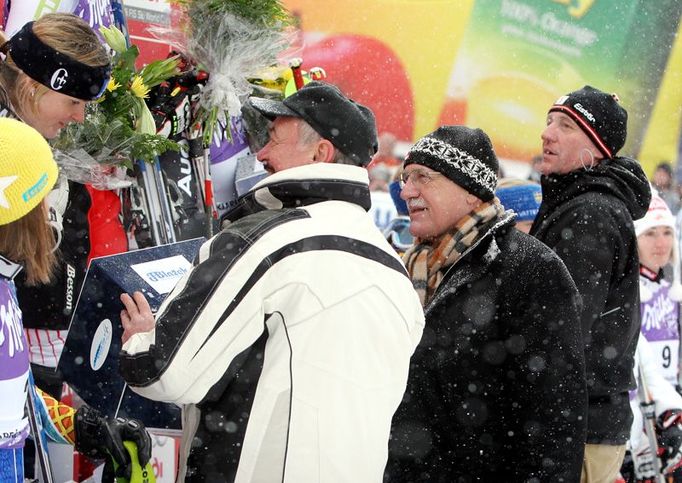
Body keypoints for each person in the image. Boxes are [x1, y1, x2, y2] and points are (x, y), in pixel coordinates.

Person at [118, 81, 425, 482]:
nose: (260, 154)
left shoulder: (263, 240)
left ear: (321, 153)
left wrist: (141, 339)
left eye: (274, 139)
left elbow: (161, 372)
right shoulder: (395, 271)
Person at [385, 126, 586, 481]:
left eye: (422, 177)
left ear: (470, 193)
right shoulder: (405, 266)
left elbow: (555, 417)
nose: (406, 190)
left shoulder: (531, 269)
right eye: (405, 177)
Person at [0, 118, 150, 482]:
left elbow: (13, 398)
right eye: (44, 201)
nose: (52, 215)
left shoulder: (6, 283)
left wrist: (79, 427)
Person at [0, 13, 126, 400]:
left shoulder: (23, 134)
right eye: (72, 100)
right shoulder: (10, 145)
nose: (79, 117)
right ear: (33, 85)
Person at [529, 85, 652, 482]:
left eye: (565, 125)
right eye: (549, 122)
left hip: (576, 425)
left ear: (596, 146)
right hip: (579, 419)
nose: (547, 133)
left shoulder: (589, 215)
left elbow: (560, 331)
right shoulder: (575, 201)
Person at [619, 193, 682, 482]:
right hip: (637, 417)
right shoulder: (627, 294)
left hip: (669, 414)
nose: (661, 242)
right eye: (651, 234)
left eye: (667, 232)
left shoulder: (673, 292)